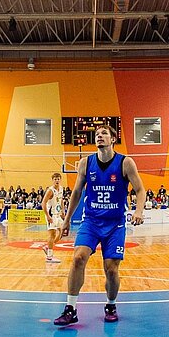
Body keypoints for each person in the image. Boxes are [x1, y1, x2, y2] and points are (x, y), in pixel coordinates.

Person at [53, 124, 145, 326]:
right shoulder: (86, 163)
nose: (100, 136)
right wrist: (67, 220)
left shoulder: (125, 163)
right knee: (78, 258)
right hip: (91, 222)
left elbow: (140, 190)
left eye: (104, 133)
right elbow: (76, 192)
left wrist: (138, 211)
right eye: (97, 134)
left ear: (113, 139)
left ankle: (111, 305)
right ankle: (70, 309)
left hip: (115, 224)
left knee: (111, 269)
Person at [41, 171, 65, 263]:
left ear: (60, 180)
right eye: (55, 179)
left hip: (58, 214)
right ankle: (49, 257)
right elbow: (43, 203)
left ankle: (48, 247)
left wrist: (63, 211)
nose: (57, 180)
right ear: (52, 180)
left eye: (58, 179)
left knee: (62, 232)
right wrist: (47, 216)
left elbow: (61, 200)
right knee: (52, 234)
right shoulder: (50, 191)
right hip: (51, 214)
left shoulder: (61, 189)